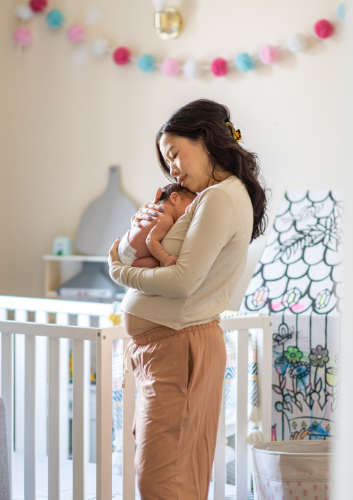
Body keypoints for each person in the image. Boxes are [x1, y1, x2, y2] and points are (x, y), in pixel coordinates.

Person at [108, 99, 268, 500]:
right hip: (169, 347)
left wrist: (118, 272)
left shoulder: (220, 198)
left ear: (206, 138)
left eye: (175, 154)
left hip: (178, 348)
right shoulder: (208, 198)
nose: (172, 168)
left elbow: (182, 281)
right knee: (177, 477)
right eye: (167, 161)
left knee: (163, 481)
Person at [117, 183, 197, 268]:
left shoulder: (155, 211)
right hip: (130, 257)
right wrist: (165, 258)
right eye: (192, 207)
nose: (194, 213)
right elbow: (150, 240)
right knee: (157, 264)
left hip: (124, 245)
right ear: (174, 198)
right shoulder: (166, 219)